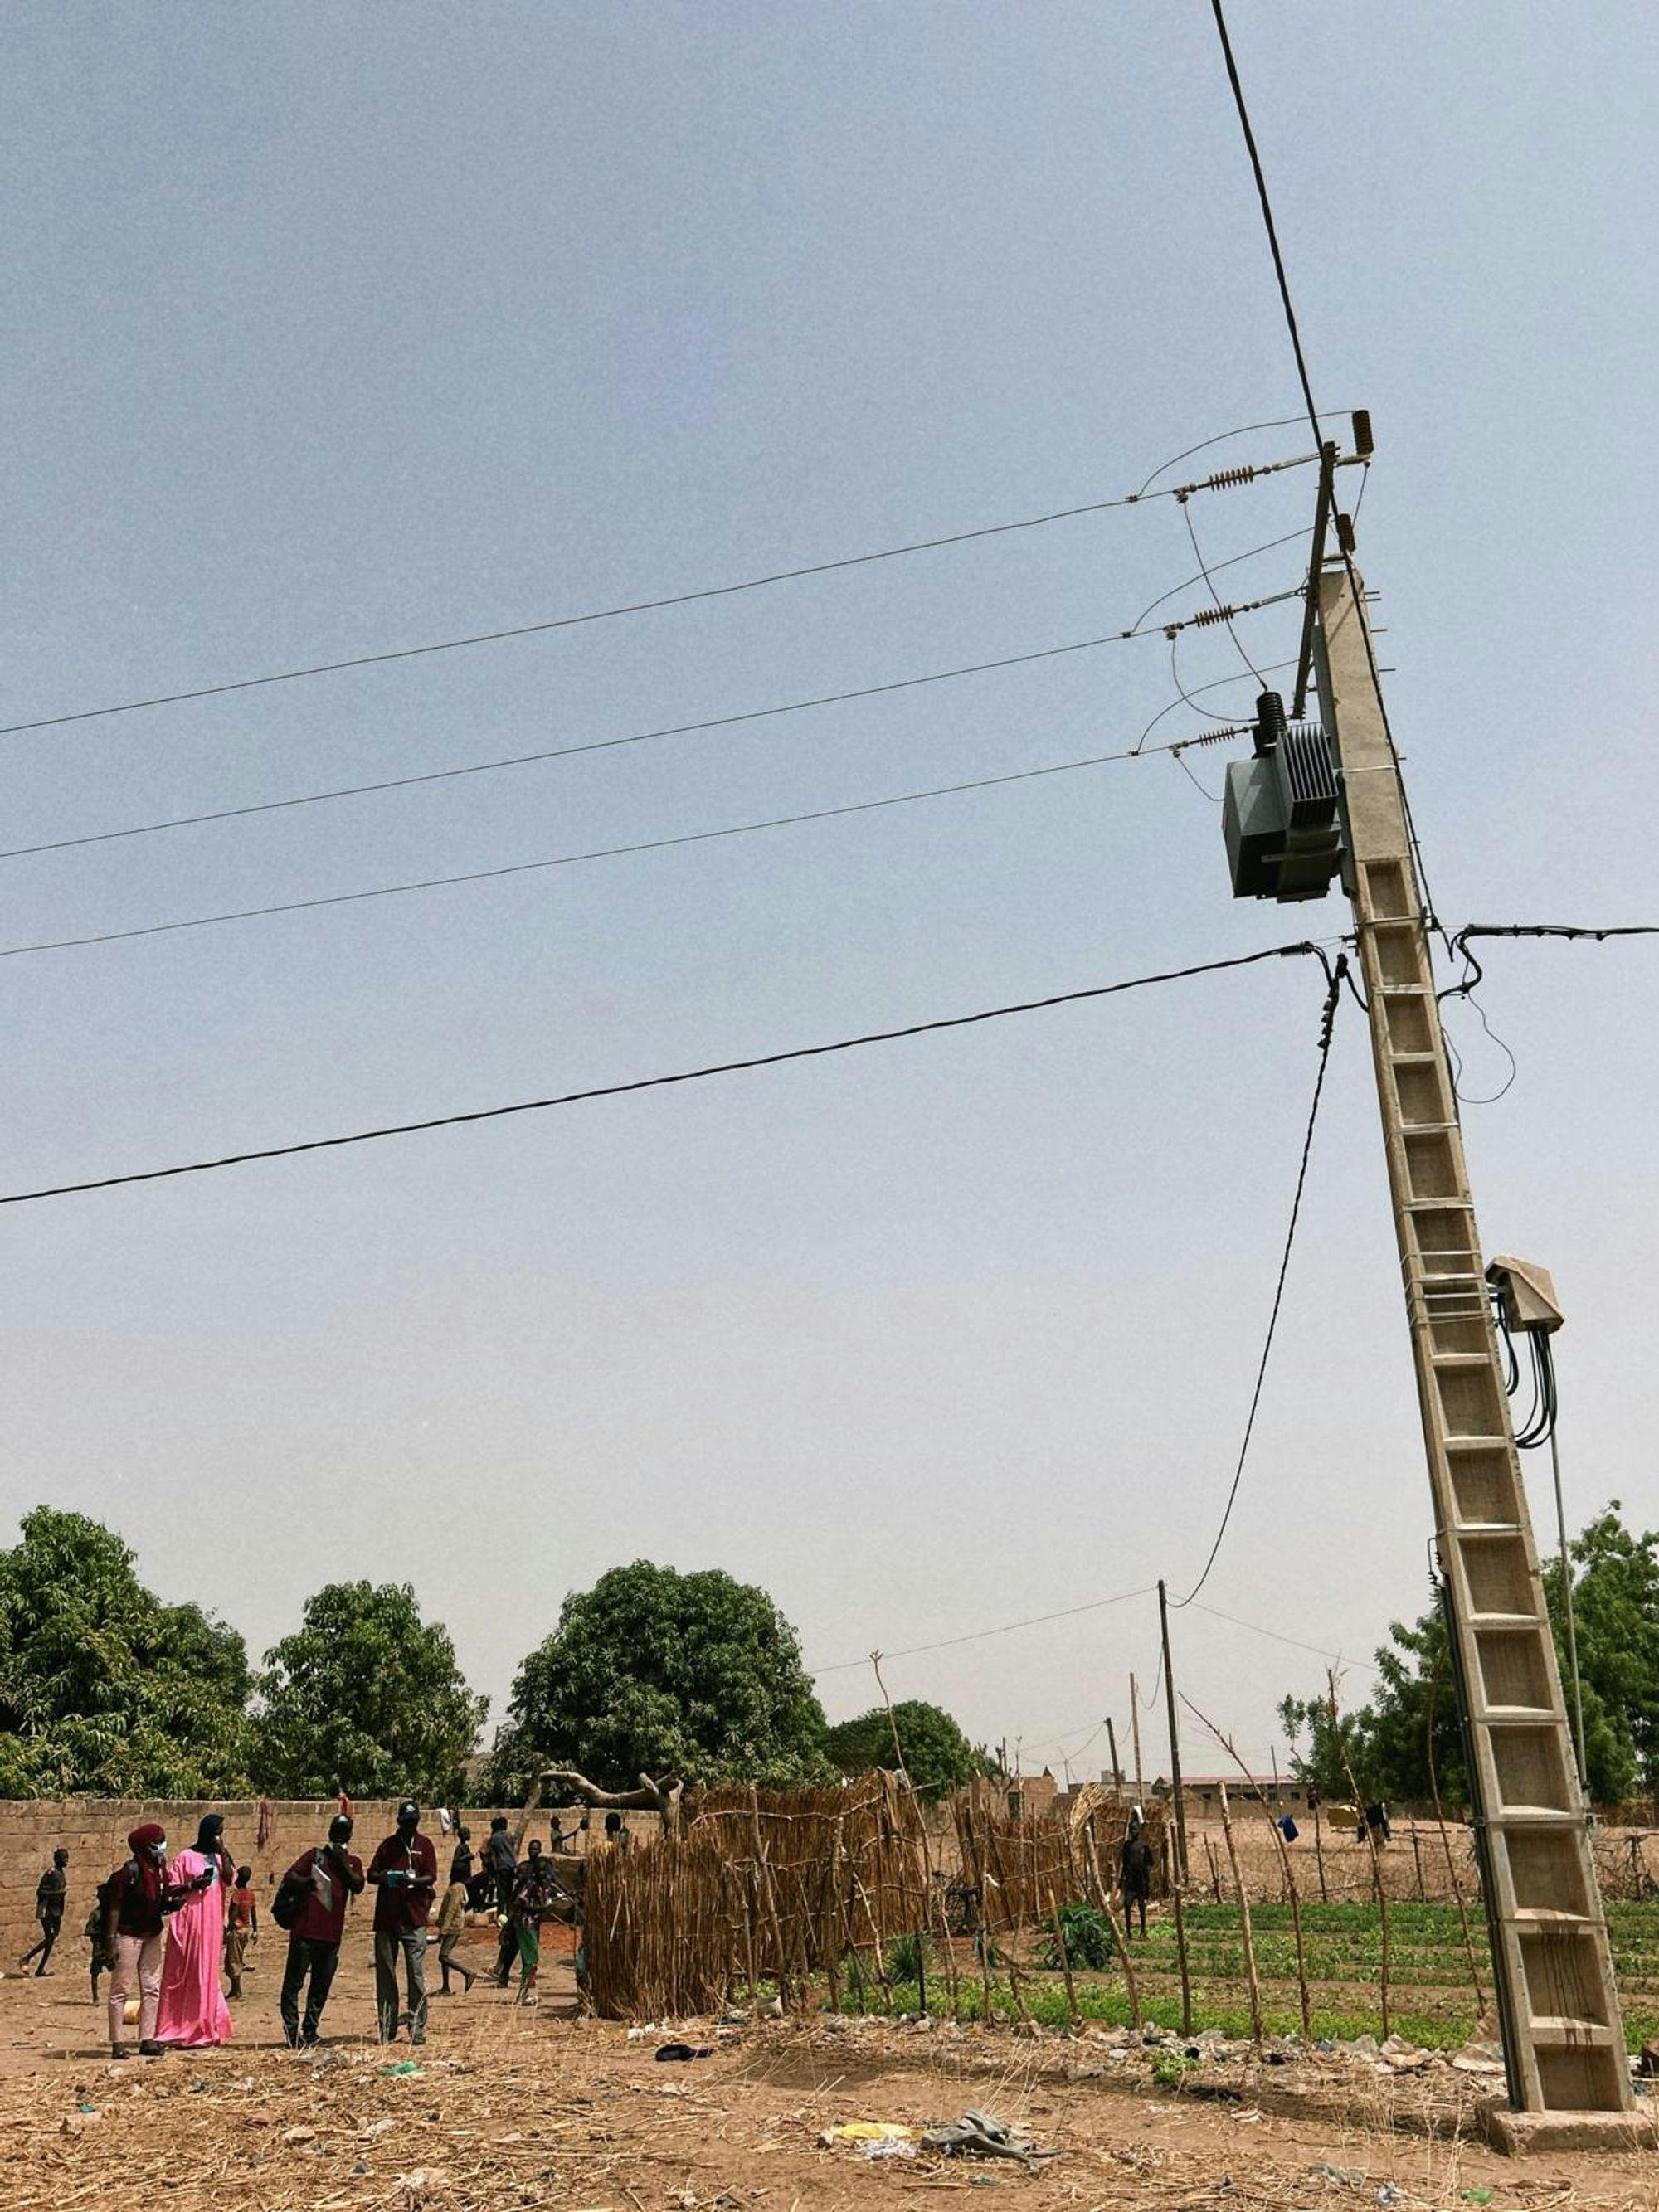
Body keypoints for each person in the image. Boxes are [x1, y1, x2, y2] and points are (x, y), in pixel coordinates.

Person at [103, 1824, 213, 2059]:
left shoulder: (159, 1870)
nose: (162, 1846)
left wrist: (188, 1890)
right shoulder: (128, 1873)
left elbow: (162, 1899)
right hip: (128, 1936)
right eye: (158, 1841)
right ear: (145, 1846)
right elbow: (114, 1908)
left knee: (151, 1988)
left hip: (151, 1934)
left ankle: (148, 2039)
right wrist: (110, 1942)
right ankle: (117, 2042)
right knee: (121, 1990)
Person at [278, 1813, 365, 2049]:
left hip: (331, 1936)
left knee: (320, 1985)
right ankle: (292, 2032)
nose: (340, 1835)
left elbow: (358, 1885)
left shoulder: (353, 1862)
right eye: (337, 1831)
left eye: (344, 1831)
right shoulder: (314, 1856)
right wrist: (307, 1882)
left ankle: (311, 2029)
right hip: (305, 1932)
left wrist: (340, 1862)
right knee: (293, 1984)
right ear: (330, 1833)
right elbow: (290, 1876)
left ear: (349, 1835)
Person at [155, 1813, 236, 2048]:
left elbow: (230, 1878)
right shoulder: (185, 1857)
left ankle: (206, 2023)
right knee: (186, 1971)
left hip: (211, 1923)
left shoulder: (220, 1857)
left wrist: (222, 1850)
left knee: (207, 1972)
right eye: (216, 1832)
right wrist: (192, 1885)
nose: (219, 1837)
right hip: (189, 1921)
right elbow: (171, 1889)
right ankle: (180, 2025)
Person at [367, 1799, 438, 2045]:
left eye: (414, 1822)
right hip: (387, 1920)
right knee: (386, 1976)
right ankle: (387, 2028)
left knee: (416, 1976)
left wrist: (414, 1881)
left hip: (414, 1919)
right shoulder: (388, 1846)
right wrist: (387, 1877)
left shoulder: (425, 1845)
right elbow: (371, 1874)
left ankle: (417, 2028)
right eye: (406, 1822)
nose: (410, 1826)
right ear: (399, 1822)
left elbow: (432, 1876)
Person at [507, 1839, 558, 2005]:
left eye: (545, 1871)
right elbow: (520, 1903)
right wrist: (539, 1909)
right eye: (541, 1871)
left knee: (531, 1959)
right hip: (525, 1924)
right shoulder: (531, 1884)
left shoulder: (544, 1886)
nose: (543, 1874)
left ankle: (524, 1992)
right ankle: (522, 1995)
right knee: (530, 1960)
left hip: (533, 1925)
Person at [21, 1849, 69, 1976]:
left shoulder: (60, 1873)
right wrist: (57, 1893)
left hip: (56, 1912)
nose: (66, 1861)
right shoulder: (51, 1873)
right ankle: (27, 1958)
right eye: (64, 1858)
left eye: (67, 1858)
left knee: (51, 1939)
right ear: (57, 1860)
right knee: (50, 1937)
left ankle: (40, 1969)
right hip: (47, 1911)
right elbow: (40, 1892)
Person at [435, 1869, 476, 1996]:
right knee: (445, 1955)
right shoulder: (460, 1888)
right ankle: (445, 1987)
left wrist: (444, 1929)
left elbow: (452, 1909)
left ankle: (467, 1972)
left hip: (453, 1926)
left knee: (443, 1957)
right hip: (453, 1925)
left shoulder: (457, 1888)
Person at [224, 1864, 258, 1999]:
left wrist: (228, 1928)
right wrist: (256, 1930)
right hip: (246, 1930)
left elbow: (234, 1913)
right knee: (235, 1959)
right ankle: (234, 1990)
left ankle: (237, 1991)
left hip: (237, 1930)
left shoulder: (237, 1895)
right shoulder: (251, 1894)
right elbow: (253, 1913)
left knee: (234, 1960)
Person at [1119, 1818, 1155, 1940]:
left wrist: (1147, 1879)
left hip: (1141, 1879)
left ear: (1139, 1831)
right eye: (1132, 1830)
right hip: (1130, 1879)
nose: (1133, 1832)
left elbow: (1150, 1862)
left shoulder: (1144, 1847)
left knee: (1141, 1905)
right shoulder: (1127, 1846)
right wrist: (1122, 1880)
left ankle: (1143, 1931)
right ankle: (1129, 1932)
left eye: (1135, 1830)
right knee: (1128, 1905)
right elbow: (1124, 1863)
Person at [85, 1882, 112, 2005]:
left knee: (116, 1971)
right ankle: (95, 1997)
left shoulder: (112, 1914)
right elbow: (89, 1930)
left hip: (109, 1948)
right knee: (95, 1973)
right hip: (99, 1947)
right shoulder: (96, 1914)